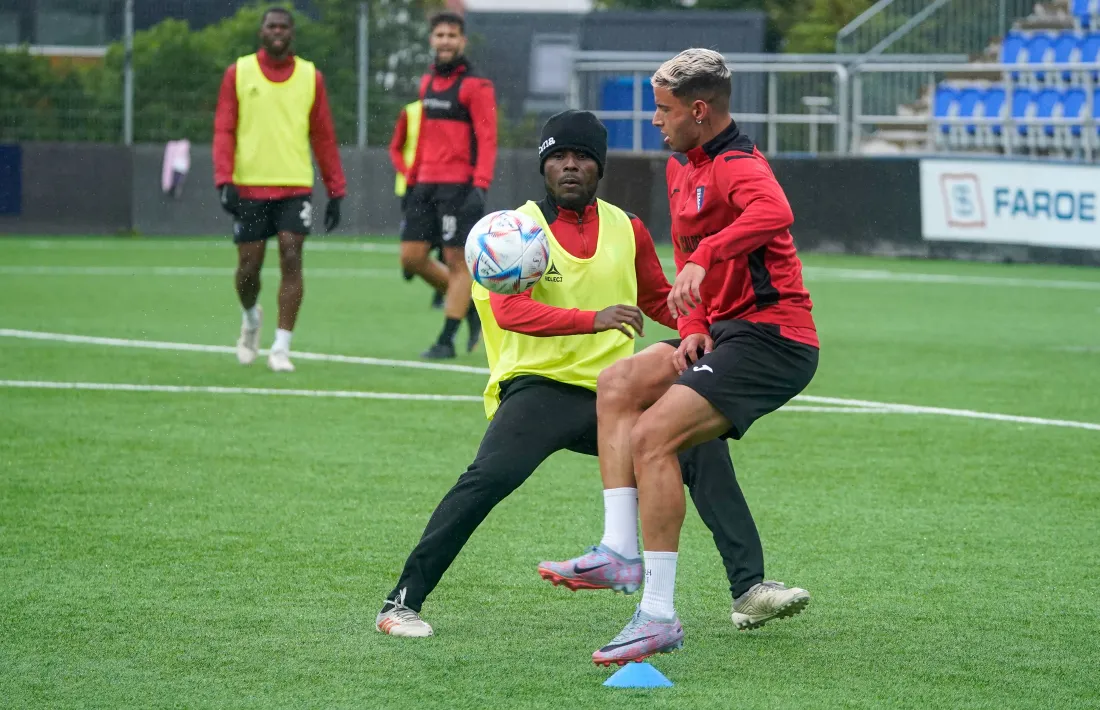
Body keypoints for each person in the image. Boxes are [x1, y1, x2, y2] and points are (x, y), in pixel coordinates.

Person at [376, 111, 770, 639]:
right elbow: (509, 312)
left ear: (599, 167)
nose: (569, 165)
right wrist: (594, 319)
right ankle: (400, 603)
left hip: (617, 395)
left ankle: (750, 591)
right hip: (538, 388)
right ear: (543, 165)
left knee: (703, 449)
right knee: (487, 480)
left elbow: (657, 298)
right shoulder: (513, 229)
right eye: (558, 156)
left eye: (582, 157)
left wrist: (712, 329)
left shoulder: (625, 226)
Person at [585, 48, 820, 666]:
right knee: (618, 384)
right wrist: (690, 324)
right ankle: (618, 551)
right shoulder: (679, 167)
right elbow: (690, 264)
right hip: (723, 332)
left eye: (662, 110)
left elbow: (775, 212)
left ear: (698, 109)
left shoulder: (740, 163)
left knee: (656, 437)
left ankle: (657, 616)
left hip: (775, 338)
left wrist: (707, 254)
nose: (655, 121)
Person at [213, 6, 346, 373]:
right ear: (261, 32)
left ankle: (281, 347)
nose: (277, 31)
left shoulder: (310, 76)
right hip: (250, 186)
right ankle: (251, 320)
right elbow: (224, 129)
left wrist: (336, 189)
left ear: (292, 34)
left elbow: (323, 135)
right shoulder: (238, 73)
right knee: (248, 267)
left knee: (291, 255)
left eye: (283, 26)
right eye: (271, 26)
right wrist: (224, 179)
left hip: (294, 185)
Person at [400, 11, 497, 360]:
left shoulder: (476, 86)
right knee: (411, 258)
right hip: (424, 184)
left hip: (458, 187)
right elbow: (423, 137)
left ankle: (446, 339)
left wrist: (480, 185)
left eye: (451, 35)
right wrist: (411, 181)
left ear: (462, 41)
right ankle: (468, 304)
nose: (445, 41)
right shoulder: (426, 83)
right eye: (439, 35)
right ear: (431, 39)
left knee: (459, 264)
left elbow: (487, 138)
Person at [389, 99, 444, 309]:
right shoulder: (410, 111)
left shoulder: (451, 112)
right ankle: (412, 262)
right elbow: (395, 148)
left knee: (443, 242)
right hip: (411, 188)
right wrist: (407, 172)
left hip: (440, 185)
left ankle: (440, 295)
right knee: (416, 241)